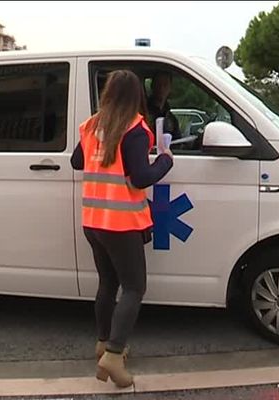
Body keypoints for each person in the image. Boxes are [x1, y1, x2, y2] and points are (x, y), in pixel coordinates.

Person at [70, 70, 173, 388]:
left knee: (107, 284)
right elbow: (141, 177)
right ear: (136, 97)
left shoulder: (92, 125)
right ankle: (114, 356)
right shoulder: (135, 128)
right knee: (134, 288)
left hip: (93, 221)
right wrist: (165, 160)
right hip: (122, 223)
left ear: (108, 93)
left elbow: (77, 161)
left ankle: (103, 344)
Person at [147, 71, 181, 140]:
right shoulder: (144, 112)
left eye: (165, 84)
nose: (161, 88)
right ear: (152, 86)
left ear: (170, 88)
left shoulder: (171, 118)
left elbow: (177, 141)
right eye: (158, 84)